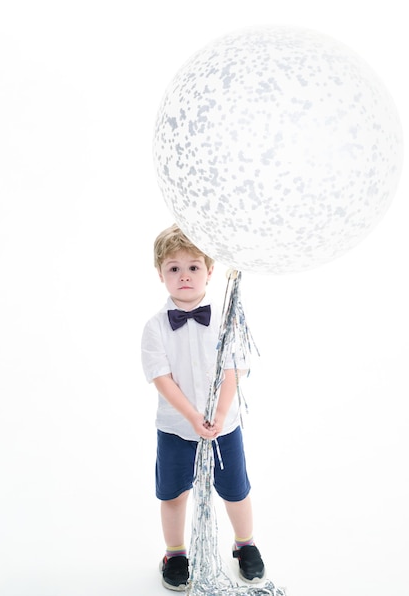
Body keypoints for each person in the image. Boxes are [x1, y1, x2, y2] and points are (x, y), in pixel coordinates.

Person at [141, 223, 265, 591]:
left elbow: (233, 369)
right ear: (160, 273)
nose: (184, 276)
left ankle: (245, 544)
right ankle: (175, 552)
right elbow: (162, 378)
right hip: (176, 428)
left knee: (236, 489)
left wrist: (219, 415)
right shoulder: (155, 328)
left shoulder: (226, 319)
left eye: (193, 267)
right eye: (173, 268)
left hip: (224, 427)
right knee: (174, 493)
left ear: (210, 270)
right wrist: (193, 417)